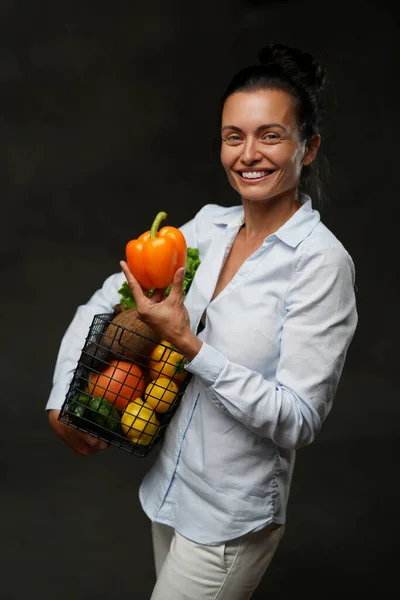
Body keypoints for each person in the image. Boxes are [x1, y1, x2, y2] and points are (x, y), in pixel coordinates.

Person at [47, 43, 358, 599]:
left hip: (229, 520)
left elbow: (299, 419)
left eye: (270, 135)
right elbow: (102, 302)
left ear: (307, 148)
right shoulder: (205, 230)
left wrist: (190, 346)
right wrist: (61, 394)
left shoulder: (320, 263)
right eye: (233, 136)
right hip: (168, 490)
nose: (248, 154)